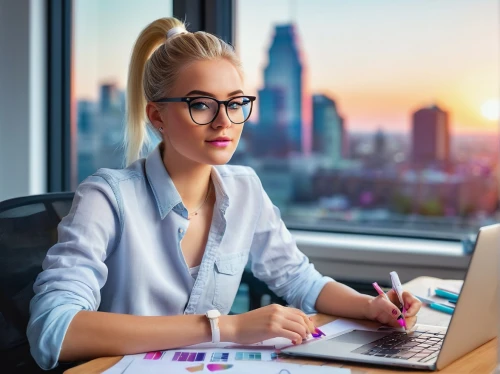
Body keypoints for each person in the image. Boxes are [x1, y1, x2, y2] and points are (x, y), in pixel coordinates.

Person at [27, 17, 421, 370]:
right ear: (157, 116)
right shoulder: (106, 198)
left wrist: (370, 306)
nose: (223, 122)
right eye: (201, 104)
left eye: (235, 104)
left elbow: (300, 280)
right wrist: (226, 326)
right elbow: (54, 330)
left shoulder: (244, 187)